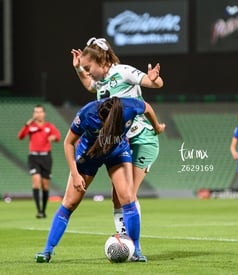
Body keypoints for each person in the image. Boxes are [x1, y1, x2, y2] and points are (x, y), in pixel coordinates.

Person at [34, 97, 165, 263]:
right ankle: (47, 251)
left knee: (127, 197)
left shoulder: (130, 107)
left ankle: (136, 251)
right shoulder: (87, 113)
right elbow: (68, 143)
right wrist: (75, 174)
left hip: (117, 153)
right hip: (89, 155)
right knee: (70, 203)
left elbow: (147, 107)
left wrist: (157, 127)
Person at [71, 37, 164, 235]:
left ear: (101, 61)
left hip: (141, 137)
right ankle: (124, 238)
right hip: (122, 141)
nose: (87, 72)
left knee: (127, 195)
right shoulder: (100, 81)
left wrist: (154, 79)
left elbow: (154, 83)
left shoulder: (122, 72)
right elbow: (89, 85)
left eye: (88, 67)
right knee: (117, 196)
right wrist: (78, 69)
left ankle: (131, 242)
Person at [18, 104, 61, 219]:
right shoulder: (30, 126)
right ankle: (38, 211)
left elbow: (58, 136)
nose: (38, 114)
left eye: (40, 112)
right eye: (36, 112)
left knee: (45, 185)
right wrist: (27, 124)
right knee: (36, 181)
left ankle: (43, 209)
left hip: (46, 157)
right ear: (34, 114)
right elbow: (20, 136)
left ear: (44, 113)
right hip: (34, 157)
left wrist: (53, 138)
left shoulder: (49, 126)